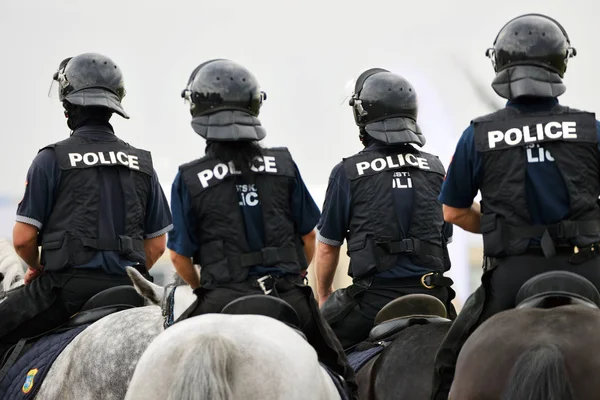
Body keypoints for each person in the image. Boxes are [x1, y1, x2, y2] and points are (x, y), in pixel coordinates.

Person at [430, 14, 600, 399]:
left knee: (447, 365)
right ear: (561, 63)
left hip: (510, 276)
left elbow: (453, 211)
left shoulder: (476, 135)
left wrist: (495, 226)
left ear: (500, 65)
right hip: (589, 267)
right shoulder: (592, 129)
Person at [168, 58, 358, 398]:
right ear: (255, 105)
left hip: (222, 297)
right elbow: (309, 237)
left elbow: (179, 257)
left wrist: (203, 288)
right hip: (286, 295)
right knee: (343, 377)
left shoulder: (189, 177)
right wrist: (295, 272)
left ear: (197, 109)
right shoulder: (283, 164)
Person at [0, 53, 173, 354]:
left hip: (66, 291)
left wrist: (38, 267)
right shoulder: (143, 164)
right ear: (114, 105)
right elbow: (157, 245)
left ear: (68, 105)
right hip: (130, 291)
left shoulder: (50, 159)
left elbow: (23, 239)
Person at [315, 68, 456, 351]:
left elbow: (328, 248)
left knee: (314, 354)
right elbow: (444, 238)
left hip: (372, 303)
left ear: (362, 117)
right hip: (435, 296)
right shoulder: (437, 169)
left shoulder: (346, 172)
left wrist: (324, 295)